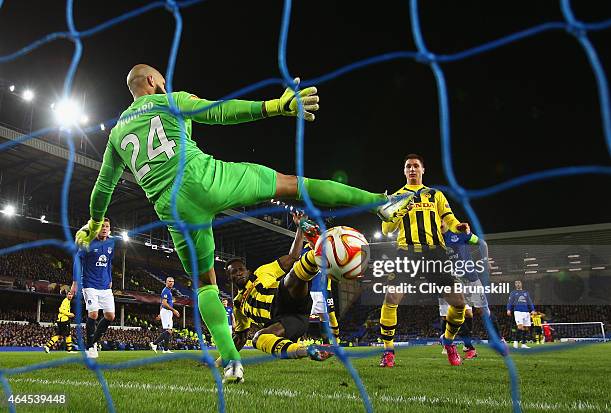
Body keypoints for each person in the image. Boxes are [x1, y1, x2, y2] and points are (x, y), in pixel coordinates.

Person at [75, 64, 411, 382]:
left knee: (204, 284)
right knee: (294, 184)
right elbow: (219, 112)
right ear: (150, 82)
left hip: (172, 208)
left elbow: (104, 187)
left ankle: (231, 360)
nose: (164, 82)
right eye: (161, 79)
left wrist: (93, 222)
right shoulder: (167, 101)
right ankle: (379, 202)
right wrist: (276, 106)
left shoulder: (117, 134)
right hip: (203, 178)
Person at [378, 154, 470, 367]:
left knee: (459, 303)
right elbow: (386, 228)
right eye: (408, 166)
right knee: (391, 298)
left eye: (415, 166)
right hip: (406, 252)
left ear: (422, 170)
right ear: (404, 171)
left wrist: (459, 227)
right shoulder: (395, 197)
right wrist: (401, 210)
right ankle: (388, 352)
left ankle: (448, 341)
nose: (412, 169)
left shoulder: (435, 194)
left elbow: (449, 218)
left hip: (435, 252)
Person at [223, 212, 333, 365]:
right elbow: (240, 338)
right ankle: (308, 351)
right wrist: (223, 359)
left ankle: (318, 252)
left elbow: (292, 257)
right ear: (230, 278)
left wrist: (300, 228)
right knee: (258, 338)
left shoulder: (262, 271)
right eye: (233, 272)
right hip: (287, 320)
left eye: (240, 269)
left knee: (294, 274)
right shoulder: (238, 304)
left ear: (247, 270)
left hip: (284, 297)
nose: (239, 273)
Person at [437, 220, 504, 359]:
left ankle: (497, 340)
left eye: (441, 219)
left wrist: (485, 261)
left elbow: (482, 243)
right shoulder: (433, 241)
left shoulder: (459, 235)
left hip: (471, 279)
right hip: (452, 283)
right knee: (463, 313)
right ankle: (468, 346)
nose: (439, 222)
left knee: (482, 311)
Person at [71, 218, 115, 359]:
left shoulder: (111, 242)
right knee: (94, 314)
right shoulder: (88, 242)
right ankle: (90, 345)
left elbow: (109, 262)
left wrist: (110, 278)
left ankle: (93, 341)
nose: (104, 228)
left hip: (105, 285)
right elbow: (78, 260)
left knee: (110, 316)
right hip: (89, 284)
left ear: (109, 229)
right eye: (102, 226)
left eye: (107, 226)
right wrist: (75, 282)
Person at [150, 277, 180, 354]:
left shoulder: (169, 291)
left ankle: (166, 349)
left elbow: (161, 304)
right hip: (167, 312)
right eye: (169, 281)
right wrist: (174, 310)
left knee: (169, 331)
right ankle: (154, 343)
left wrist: (160, 314)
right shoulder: (165, 291)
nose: (171, 283)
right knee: (168, 331)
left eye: (172, 281)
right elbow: (164, 303)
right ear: (166, 282)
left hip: (167, 312)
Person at [507, 280, 535, 349]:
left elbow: (529, 302)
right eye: (516, 283)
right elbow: (510, 302)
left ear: (521, 284)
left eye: (519, 283)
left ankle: (523, 344)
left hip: (526, 312)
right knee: (520, 327)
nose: (518, 284)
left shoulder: (526, 293)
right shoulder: (513, 293)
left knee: (526, 328)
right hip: (518, 311)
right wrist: (508, 309)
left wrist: (533, 310)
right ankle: (516, 342)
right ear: (515, 285)